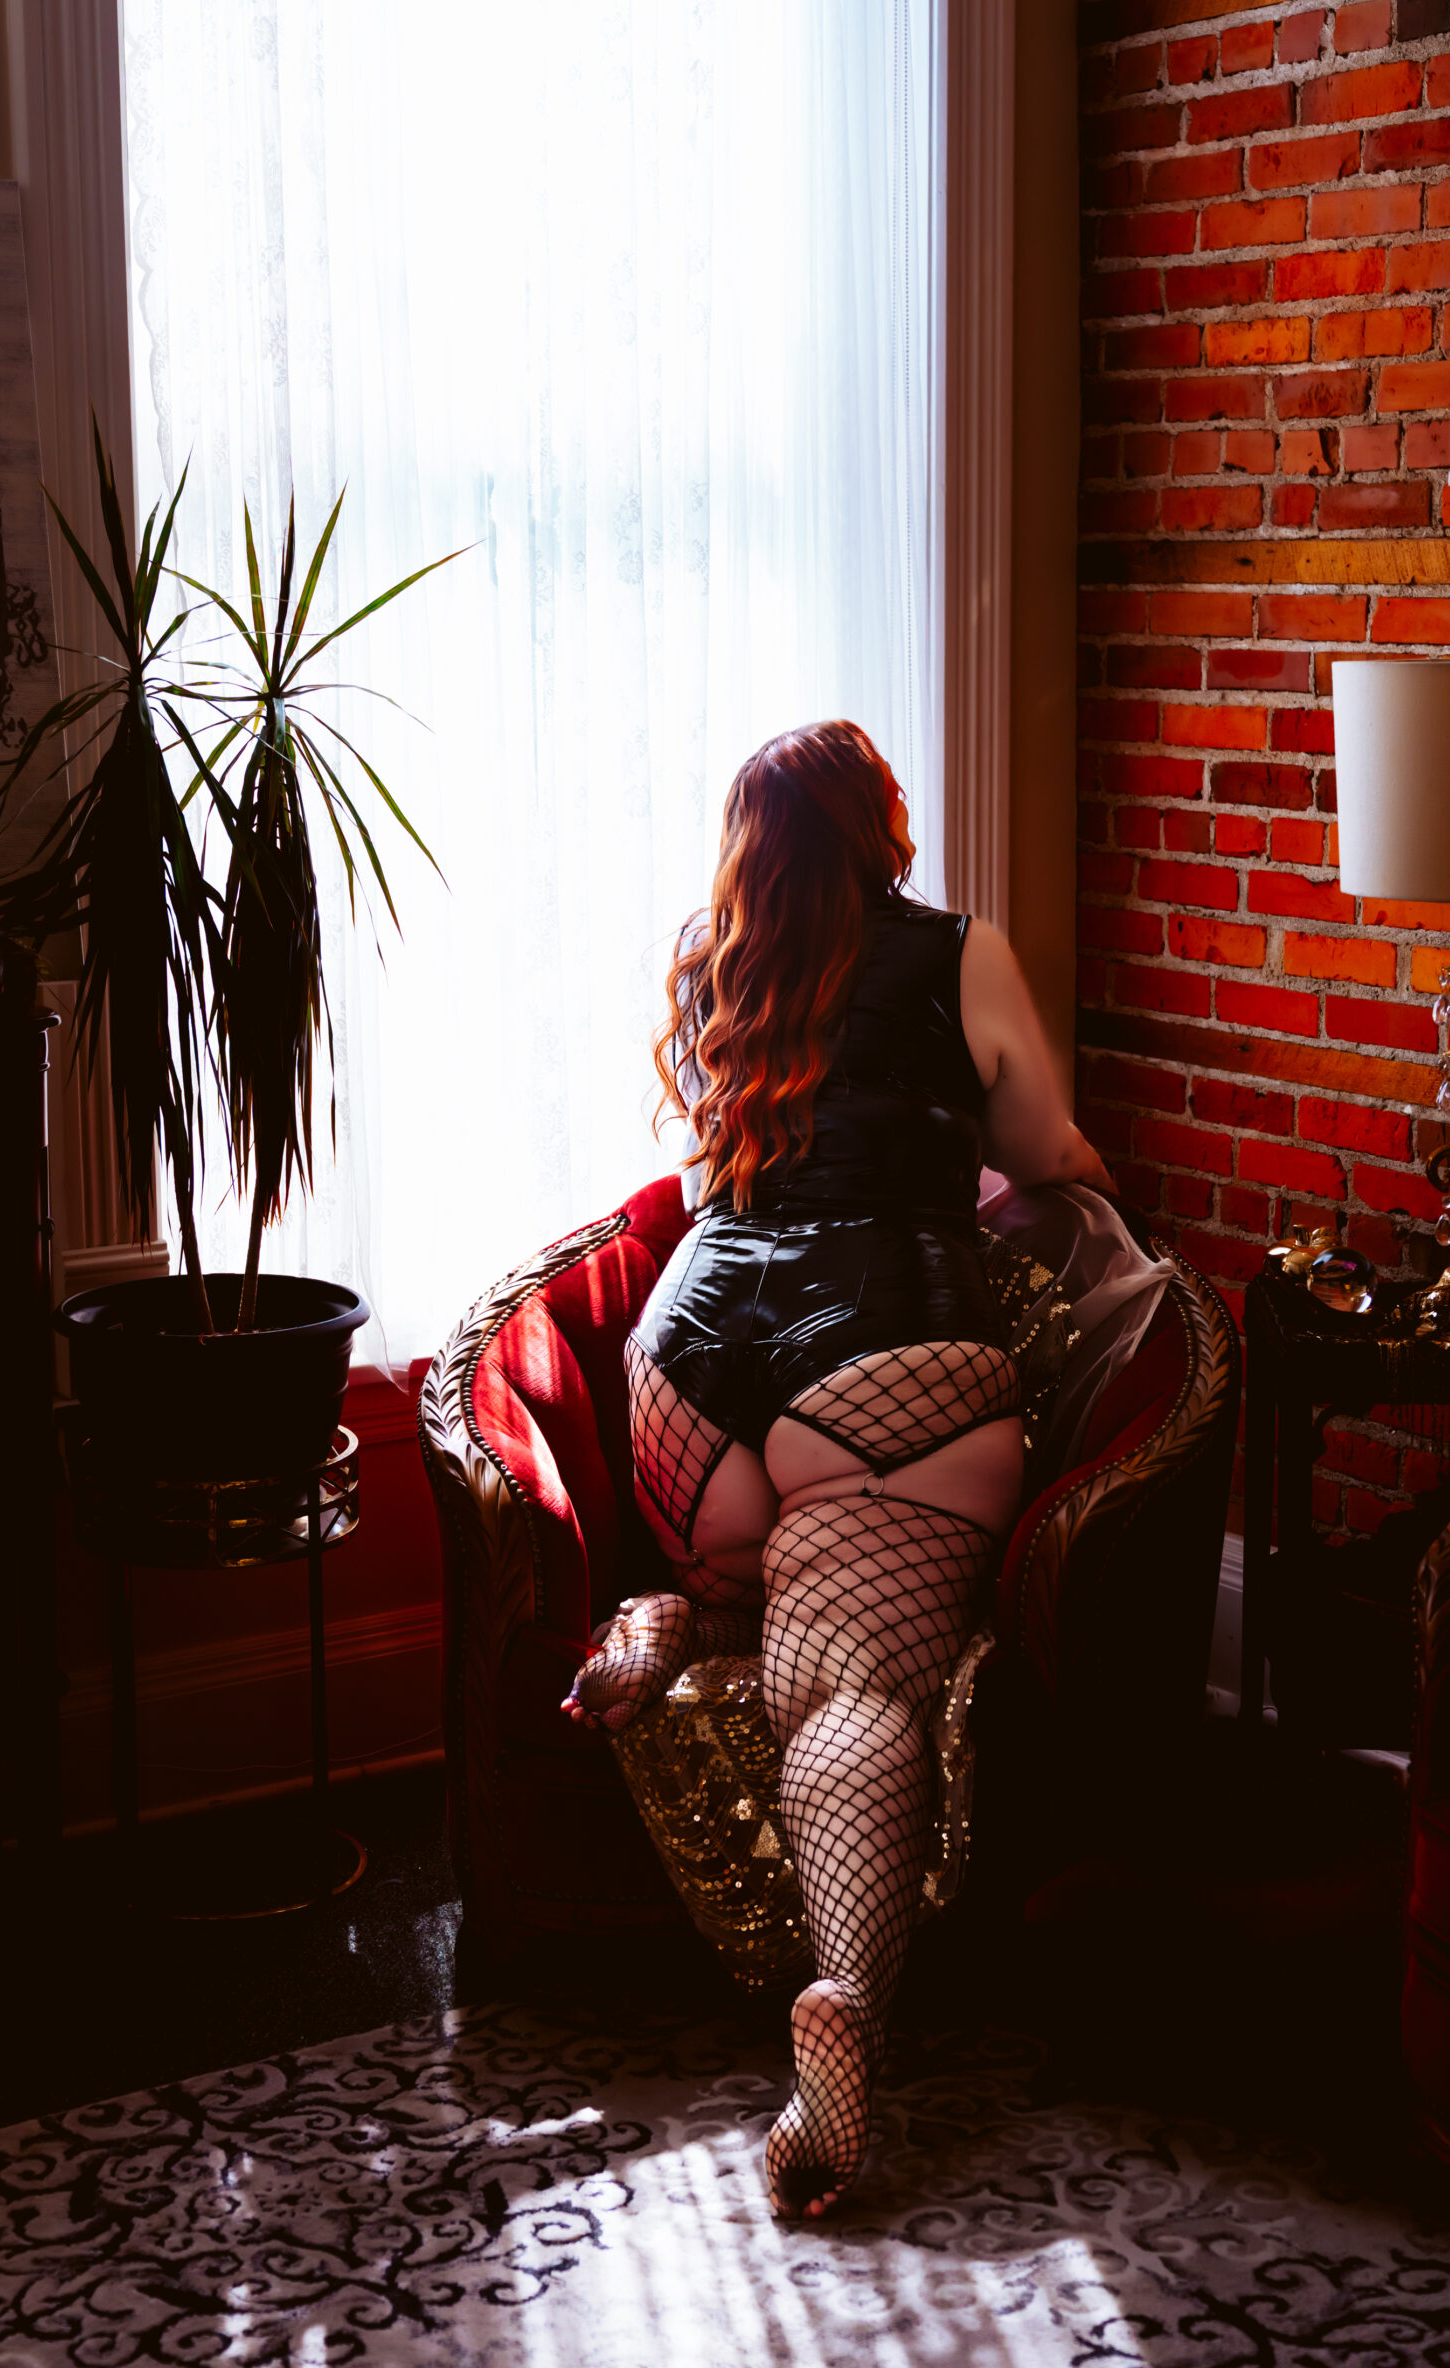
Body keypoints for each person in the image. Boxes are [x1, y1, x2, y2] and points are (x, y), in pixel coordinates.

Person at [562, 721, 1117, 2221]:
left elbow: (708, 1179)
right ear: (884, 823)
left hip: (689, 1376)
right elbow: (1042, 1150)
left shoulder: (715, 963)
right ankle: (849, 2009)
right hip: (885, 1360)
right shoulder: (960, 949)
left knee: (768, 1569)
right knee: (852, 1685)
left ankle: (683, 1605)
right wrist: (1086, 1176)